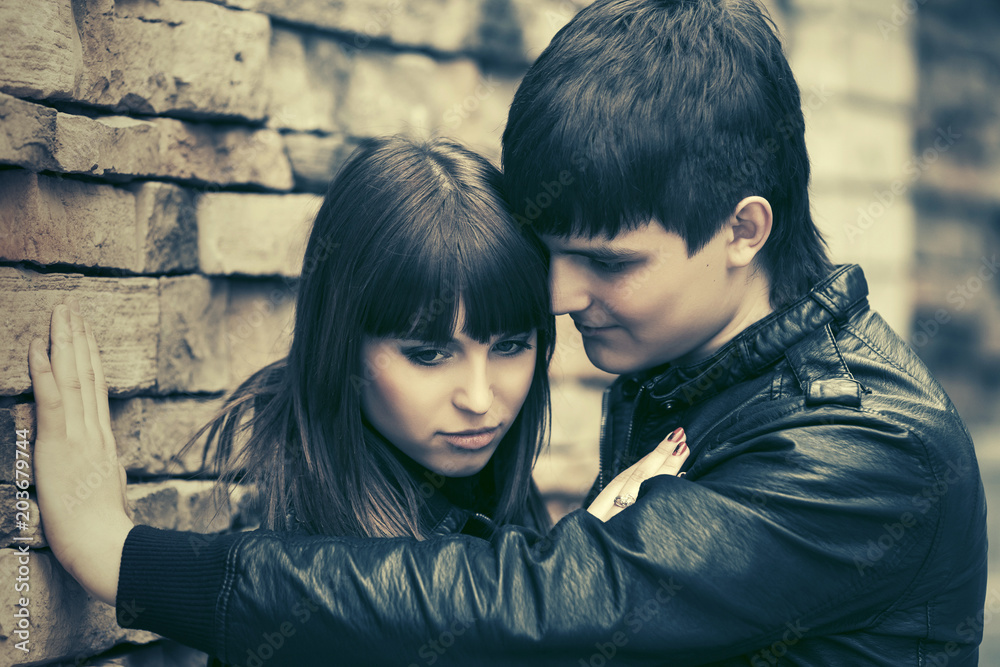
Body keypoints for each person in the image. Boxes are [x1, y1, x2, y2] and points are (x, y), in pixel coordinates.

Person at [31, 1, 987, 665]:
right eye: (553, 253)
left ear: (744, 229)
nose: (560, 297)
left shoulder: (862, 448)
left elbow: (541, 610)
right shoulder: (700, 371)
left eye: (608, 262)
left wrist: (129, 559)